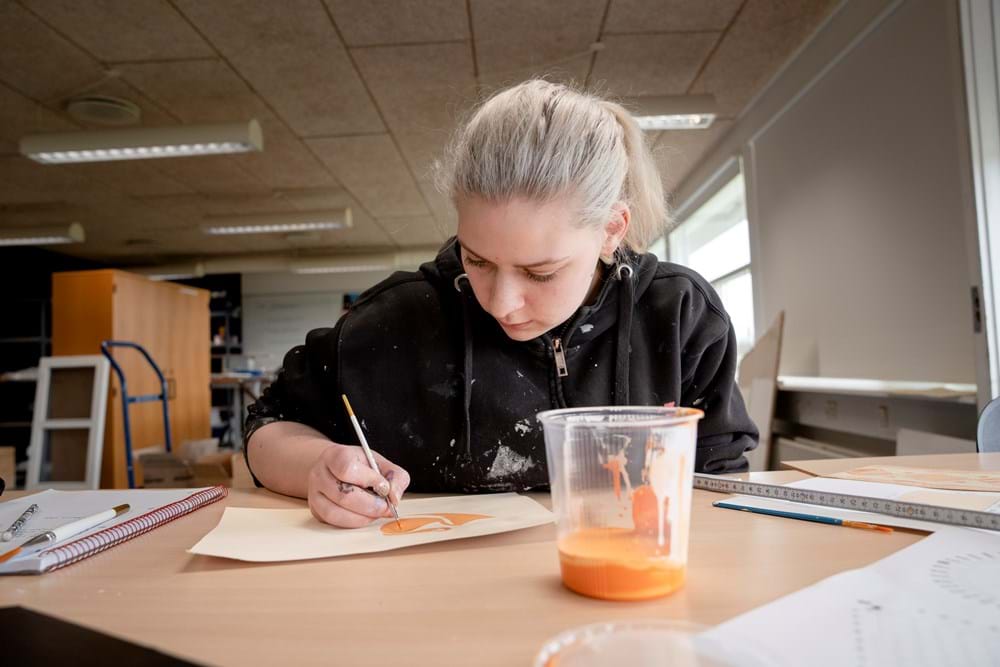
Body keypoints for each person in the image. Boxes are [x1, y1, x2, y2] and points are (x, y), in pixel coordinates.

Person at [244, 79, 758, 528]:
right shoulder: (395, 320)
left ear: (611, 229)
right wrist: (316, 467)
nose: (502, 303)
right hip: (440, 595)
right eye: (478, 260)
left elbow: (719, 486)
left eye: (540, 272)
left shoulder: (679, 316)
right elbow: (269, 425)